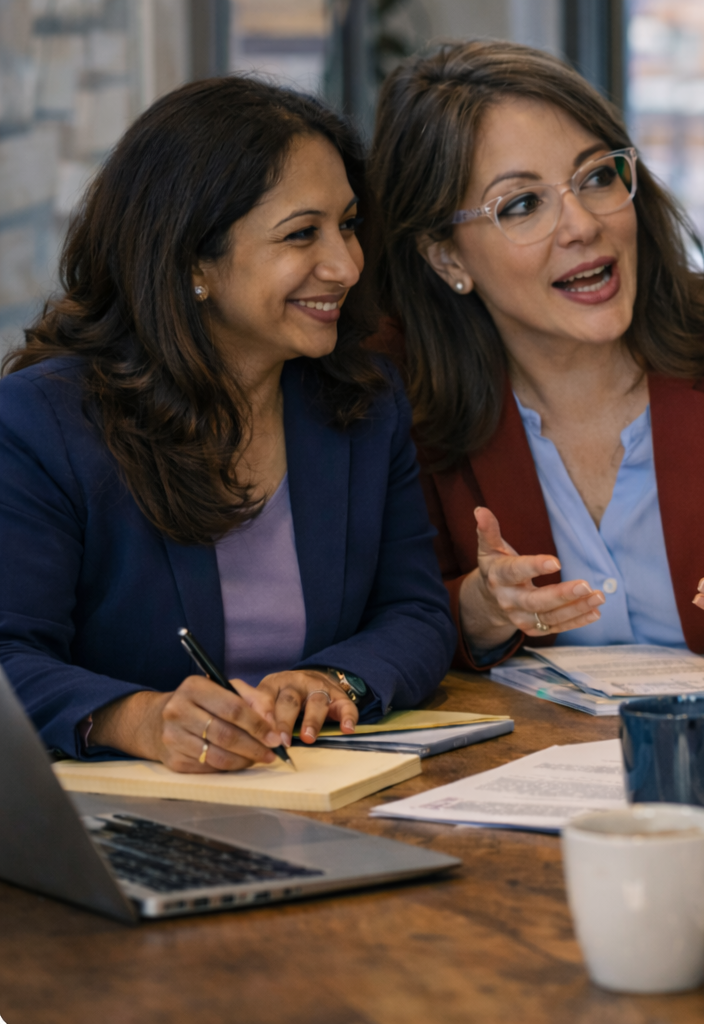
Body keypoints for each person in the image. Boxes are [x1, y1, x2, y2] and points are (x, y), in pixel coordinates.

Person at [368, 41, 704, 668]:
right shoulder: (395, 391)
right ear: (447, 258)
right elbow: (380, 620)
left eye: (596, 176)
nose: (581, 225)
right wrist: (480, 611)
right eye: (522, 204)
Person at [0, 78, 456, 772]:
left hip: (322, 790)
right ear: (192, 262)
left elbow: (415, 614)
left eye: (349, 224)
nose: (346, 265)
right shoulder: (41, 422)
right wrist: (138, 720)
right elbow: (9, 656)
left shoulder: (366, 401)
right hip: (121, 820)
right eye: (302, 234)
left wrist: (333, 680)